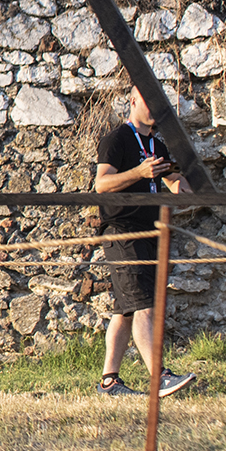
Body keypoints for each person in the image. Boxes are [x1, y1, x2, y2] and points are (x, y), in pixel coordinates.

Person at [93, 87, 197, 400]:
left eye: (158, 104)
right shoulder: (116, 140)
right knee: (144, 305)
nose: (153, 109)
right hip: (123, 232)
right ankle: (159, 377)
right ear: (134, 101)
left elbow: (177, 184)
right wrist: (138, 171)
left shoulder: (158, 146)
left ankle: (110, 382)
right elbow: (101, 184)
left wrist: (183, 189)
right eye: (147, 102)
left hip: (150, 233)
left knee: (126, 309)